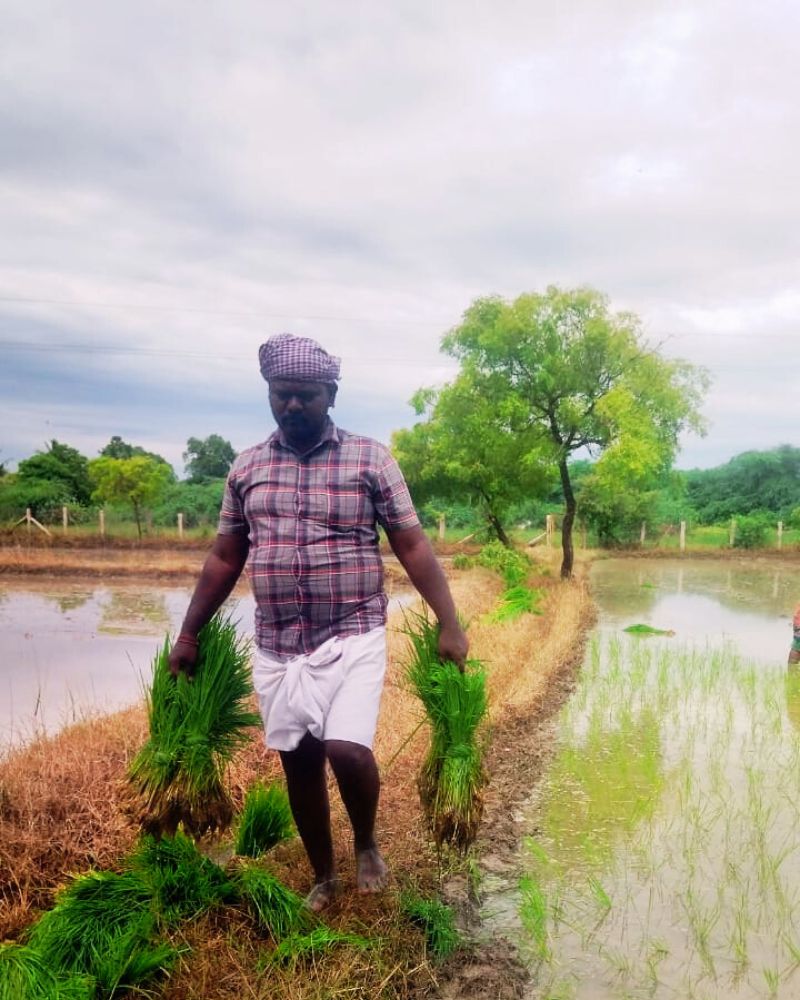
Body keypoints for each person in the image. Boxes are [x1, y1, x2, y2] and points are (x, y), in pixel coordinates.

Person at [169, 333, 468, 911]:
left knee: (346, 749)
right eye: (281, 395)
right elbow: (225, 556)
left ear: (330, 394)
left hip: (353, 630)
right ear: (269, 394)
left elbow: (412, 544)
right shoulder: (248, 466)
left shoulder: (369, 458)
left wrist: (449, 621)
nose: (292, 406)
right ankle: (324, 874)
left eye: (305, 395)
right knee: (299, 762)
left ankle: (366, 841)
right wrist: (188, 633)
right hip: (279, 643)